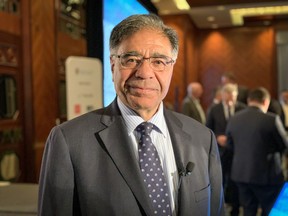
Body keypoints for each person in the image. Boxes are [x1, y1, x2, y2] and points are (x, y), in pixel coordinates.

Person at [38, 14, 225, 216]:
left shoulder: (202, 138)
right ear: (113, 66)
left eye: (159, 61)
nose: (144, 73)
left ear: (171, 67)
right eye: (131, 59)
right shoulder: (69, 141)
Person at [226, 87, 288, 216]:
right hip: (267, 176)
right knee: (270, 210)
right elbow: (284, 145)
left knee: (248, 210)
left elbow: (230, 145)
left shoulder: (234, 118)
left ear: (249, 100)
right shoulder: (271, 119)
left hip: (241, 174)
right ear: (266, 102)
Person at [206, 83, 246, 216]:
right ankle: (219, 209)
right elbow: (207, 129)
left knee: (235, 182)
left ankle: (235, 209)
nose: (230, 100)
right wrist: (217, 137)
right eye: (227, 96)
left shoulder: (242, 108)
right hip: (220, 152)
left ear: (236, 96)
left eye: (233, 97)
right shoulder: (214, 109)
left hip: (238, 152)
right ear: (222, 95)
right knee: (219, 181)